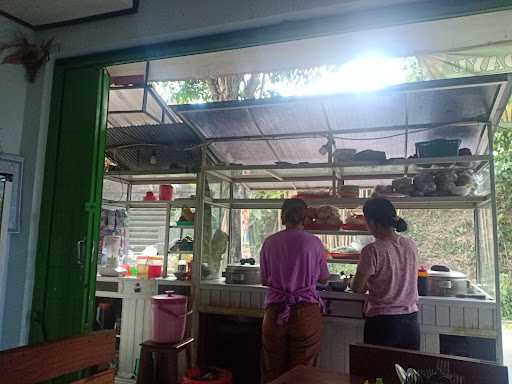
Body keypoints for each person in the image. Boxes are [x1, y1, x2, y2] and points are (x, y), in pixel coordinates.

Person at [260, 198, 330, 383]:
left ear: (283, 217)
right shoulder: (314, 243)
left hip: (275, 312)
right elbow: (323, 278)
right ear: (304, 218)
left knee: (272, 369)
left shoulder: (269, 242)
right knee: (303, 372)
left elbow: (264, 280)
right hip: (305, 311)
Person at [351, 197, 420, 351]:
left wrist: (351, 281)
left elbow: (357, 288)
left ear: (373, 223)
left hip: (383, 324)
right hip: (411, 322)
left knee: (379, 373)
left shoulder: (372, 250)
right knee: (407, 373)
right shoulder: (410, 244)